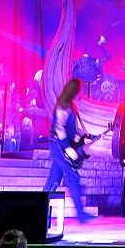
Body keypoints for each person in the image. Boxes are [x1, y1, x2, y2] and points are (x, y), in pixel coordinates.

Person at [43, 78, 94, 223]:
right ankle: (80, 214)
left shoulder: (70, 106)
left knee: (53, 181)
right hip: (59, 147)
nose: (81, 93)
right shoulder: (63, 106)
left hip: (61, 146)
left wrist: (83, 139)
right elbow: (59, 128)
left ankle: (40, 213)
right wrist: (67, 147)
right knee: (72, 176)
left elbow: (73, 130)